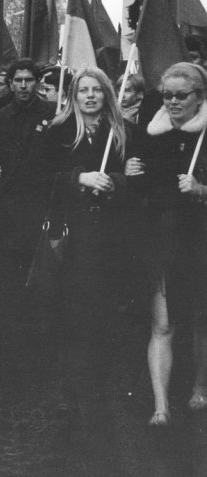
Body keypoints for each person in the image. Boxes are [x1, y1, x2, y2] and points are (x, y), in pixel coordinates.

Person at [127, 62, 207, 426]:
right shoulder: (148, 133)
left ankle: (198, 387)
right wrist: (129, 175)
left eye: (181, 96)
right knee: (162, 324)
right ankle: (161, 406)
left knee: (199, 320)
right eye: (167, 96)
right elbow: (136, 185)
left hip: (200, 238)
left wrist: (201, 190)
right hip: (160, 239)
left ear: (199, 97)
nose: (173, 102)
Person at [44, 68, 130, 395]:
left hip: (112, 229)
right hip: (72, 228)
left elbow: (134, 175)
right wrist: (80, 178)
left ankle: (104, 373)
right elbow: (44, 178)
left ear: (106, 94)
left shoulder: (121, 130)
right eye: (84, 90)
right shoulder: (59, 131)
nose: (90, 95)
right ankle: (74, 378)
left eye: (96, 89)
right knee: (75, 301)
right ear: (74, 95)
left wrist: (116, 183)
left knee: (108, 301)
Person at [0, 59, 56, 297]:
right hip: (9, 209)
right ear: (11, 84)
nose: (24, 85)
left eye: (29, 80)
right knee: (11, 277)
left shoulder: (54, 114)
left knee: (42, 277)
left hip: (42, 206)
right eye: (18, 80)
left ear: (37, 83)